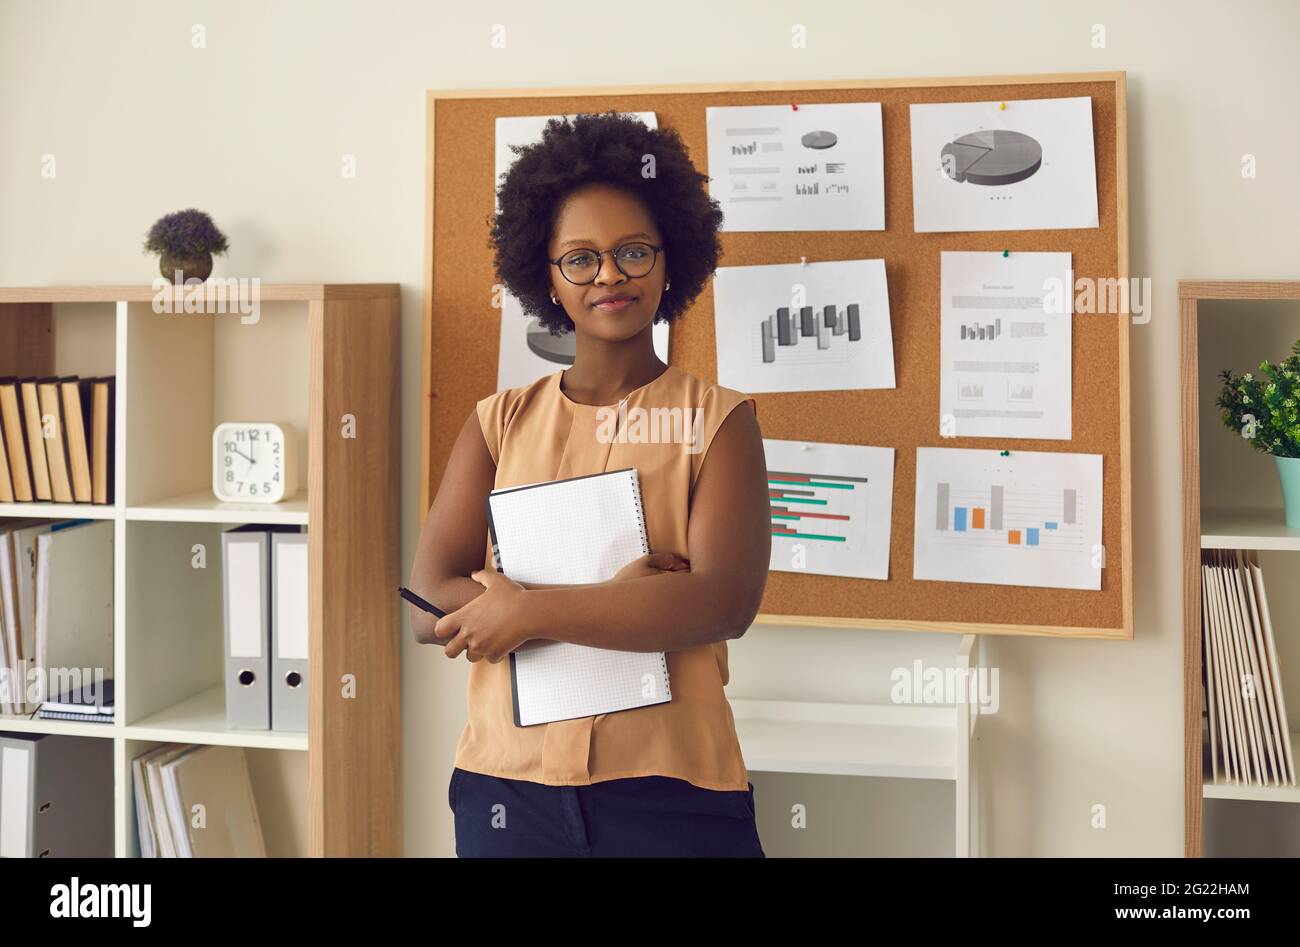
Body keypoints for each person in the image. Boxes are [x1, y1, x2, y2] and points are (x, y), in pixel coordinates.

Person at [408, 111, 771, 857]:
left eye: (633, 251)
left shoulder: (720, 423)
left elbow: (720, 603)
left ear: (671, 260)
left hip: (672, 797)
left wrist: (525, 609)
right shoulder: (496, 423)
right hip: (507, 792)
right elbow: (425, 599)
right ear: (545, 275)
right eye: (580, 258)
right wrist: (629, 602)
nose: (610, 275)